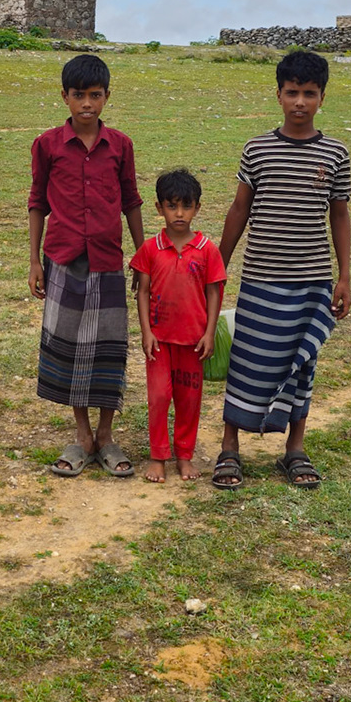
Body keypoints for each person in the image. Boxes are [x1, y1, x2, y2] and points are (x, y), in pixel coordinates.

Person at [212, 49, 351, 490]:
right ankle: (229, 446)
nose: (299, 102)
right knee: (247, 360)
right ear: (278, 94)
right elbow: (239, 209)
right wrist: (218, 262)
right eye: (292, 92)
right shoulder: (257, 149)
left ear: (322, 98)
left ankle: (295, 448)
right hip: (260, 278)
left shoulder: (335, 154)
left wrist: (344, 275)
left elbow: (340, 215)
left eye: (309, 94)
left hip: (313, 280)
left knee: (302, 363)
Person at [29, 53, 146, 478]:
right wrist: (33, 262)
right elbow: (37, 203)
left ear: (107, 97)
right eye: (79, 96)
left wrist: (143, 257)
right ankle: (82, 436)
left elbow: (131, 201)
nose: (87, 105)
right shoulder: (46, 145)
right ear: (64, 96)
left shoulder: (121, 145)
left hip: (108, 260)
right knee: (71, 348)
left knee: (107, 350)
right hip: (62, 258)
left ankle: (107, 436)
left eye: (95, 96)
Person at [128, 169, 227, 483]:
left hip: (193, 342)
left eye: (186, 206)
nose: (179, 213)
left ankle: (184, 455)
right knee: (158, 397)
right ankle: (158, 456)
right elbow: (142, 291)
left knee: (188, 400)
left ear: (197, 208)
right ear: (159, 208)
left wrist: (209, 332)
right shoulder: (150, 249)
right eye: (172, 206)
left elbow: (214, 292)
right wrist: (146, 332)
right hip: (159, 341)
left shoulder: (208, 250)